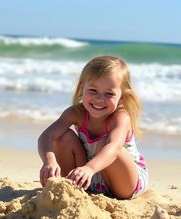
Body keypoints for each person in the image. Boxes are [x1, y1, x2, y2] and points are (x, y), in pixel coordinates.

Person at [38, 55, 148, 199]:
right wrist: (49, 161)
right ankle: (74, 184)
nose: (99, 98)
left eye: (109, 94)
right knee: (64, 136)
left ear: (122, 97)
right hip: (89, 178)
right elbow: (47, 136)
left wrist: (89, 168)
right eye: (93, 90)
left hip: (126, 182)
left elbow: (114, 148)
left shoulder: (121, 117)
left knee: (105, 143)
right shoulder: (76, 113)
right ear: (82, 88)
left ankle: (89, 178)